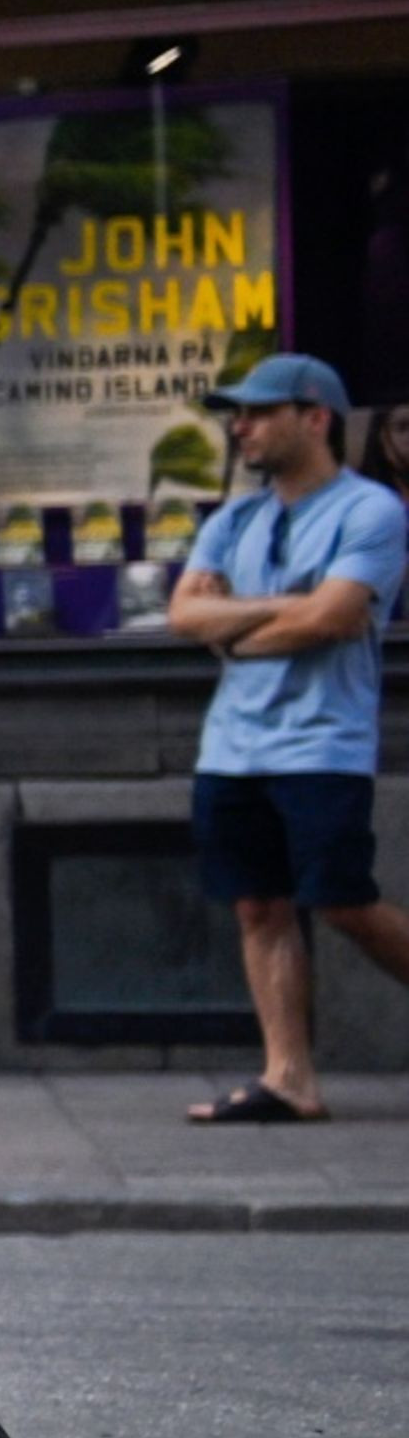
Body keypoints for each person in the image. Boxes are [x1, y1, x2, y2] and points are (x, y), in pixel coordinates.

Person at [166, 354, 409, 1124]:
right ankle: (289, 1078)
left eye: (259, 412)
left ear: (315, 418)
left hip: (322, 743)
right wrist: (282, 609)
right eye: (237, 414)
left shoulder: (370, 510)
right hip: (231, 745)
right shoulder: (233, 520)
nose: (241, 427)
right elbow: (183, 614)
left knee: (343, 902)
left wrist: (233, 629)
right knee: (258, 906)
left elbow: (332, 617)